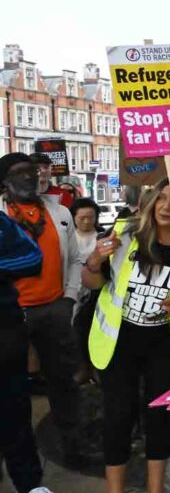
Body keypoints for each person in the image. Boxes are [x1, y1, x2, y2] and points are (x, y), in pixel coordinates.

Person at [82, 176, 170, 493]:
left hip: (163, 344)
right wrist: (95, 260)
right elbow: (92, 283)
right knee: (118, 418)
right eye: (162, 198)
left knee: (159, 419)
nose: (166, 207)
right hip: (118, 342)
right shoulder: (126, 233)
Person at [0, 152, 85, 467]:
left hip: (54, 310)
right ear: (6, 181)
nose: (30, 177)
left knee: (63, 381)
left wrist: (69, 299)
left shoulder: (59, 212)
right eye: (21, 173)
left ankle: (72, 445)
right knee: (10, 386)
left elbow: (74, 259)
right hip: (9, 316)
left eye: (33, 172)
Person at [0, 210, 43, 493]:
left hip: (4, 333)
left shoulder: (1, 223)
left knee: (14, 412)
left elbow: (33, 258)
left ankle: (30, 485)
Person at [70, 198, 102, 384]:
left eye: (91, 217)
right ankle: (82, 367)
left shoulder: (102, 237)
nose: (87, 221)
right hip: (74, 290)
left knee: (94, 330)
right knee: (77, 331)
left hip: (97, 291)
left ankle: (96, 368)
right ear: (74, 218)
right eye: (82, 218)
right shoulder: (68, 237)